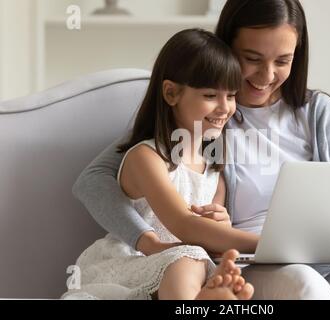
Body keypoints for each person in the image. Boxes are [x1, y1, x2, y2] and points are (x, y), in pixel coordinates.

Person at [73, 0, 330, 300]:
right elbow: (96, 179)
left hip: (321, 255)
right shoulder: (200, 120)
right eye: (252, 59)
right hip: (251, 262)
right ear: (227, 47)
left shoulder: (318, 113)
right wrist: (146, 240)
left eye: (283, 61)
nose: (267, 75)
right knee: (306, 283)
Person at [62, 29, 255, 300]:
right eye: (211, 96)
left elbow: (202, 238)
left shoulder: (215, 170)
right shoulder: (147, 157)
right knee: (188, 261)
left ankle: (207, 297)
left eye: (232, 96)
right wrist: (265, 244)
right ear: (171, 93)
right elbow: (184, 225)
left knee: (201, 263)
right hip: (134, 262)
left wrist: (221, 227)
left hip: (185, 264)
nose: (225, 108)